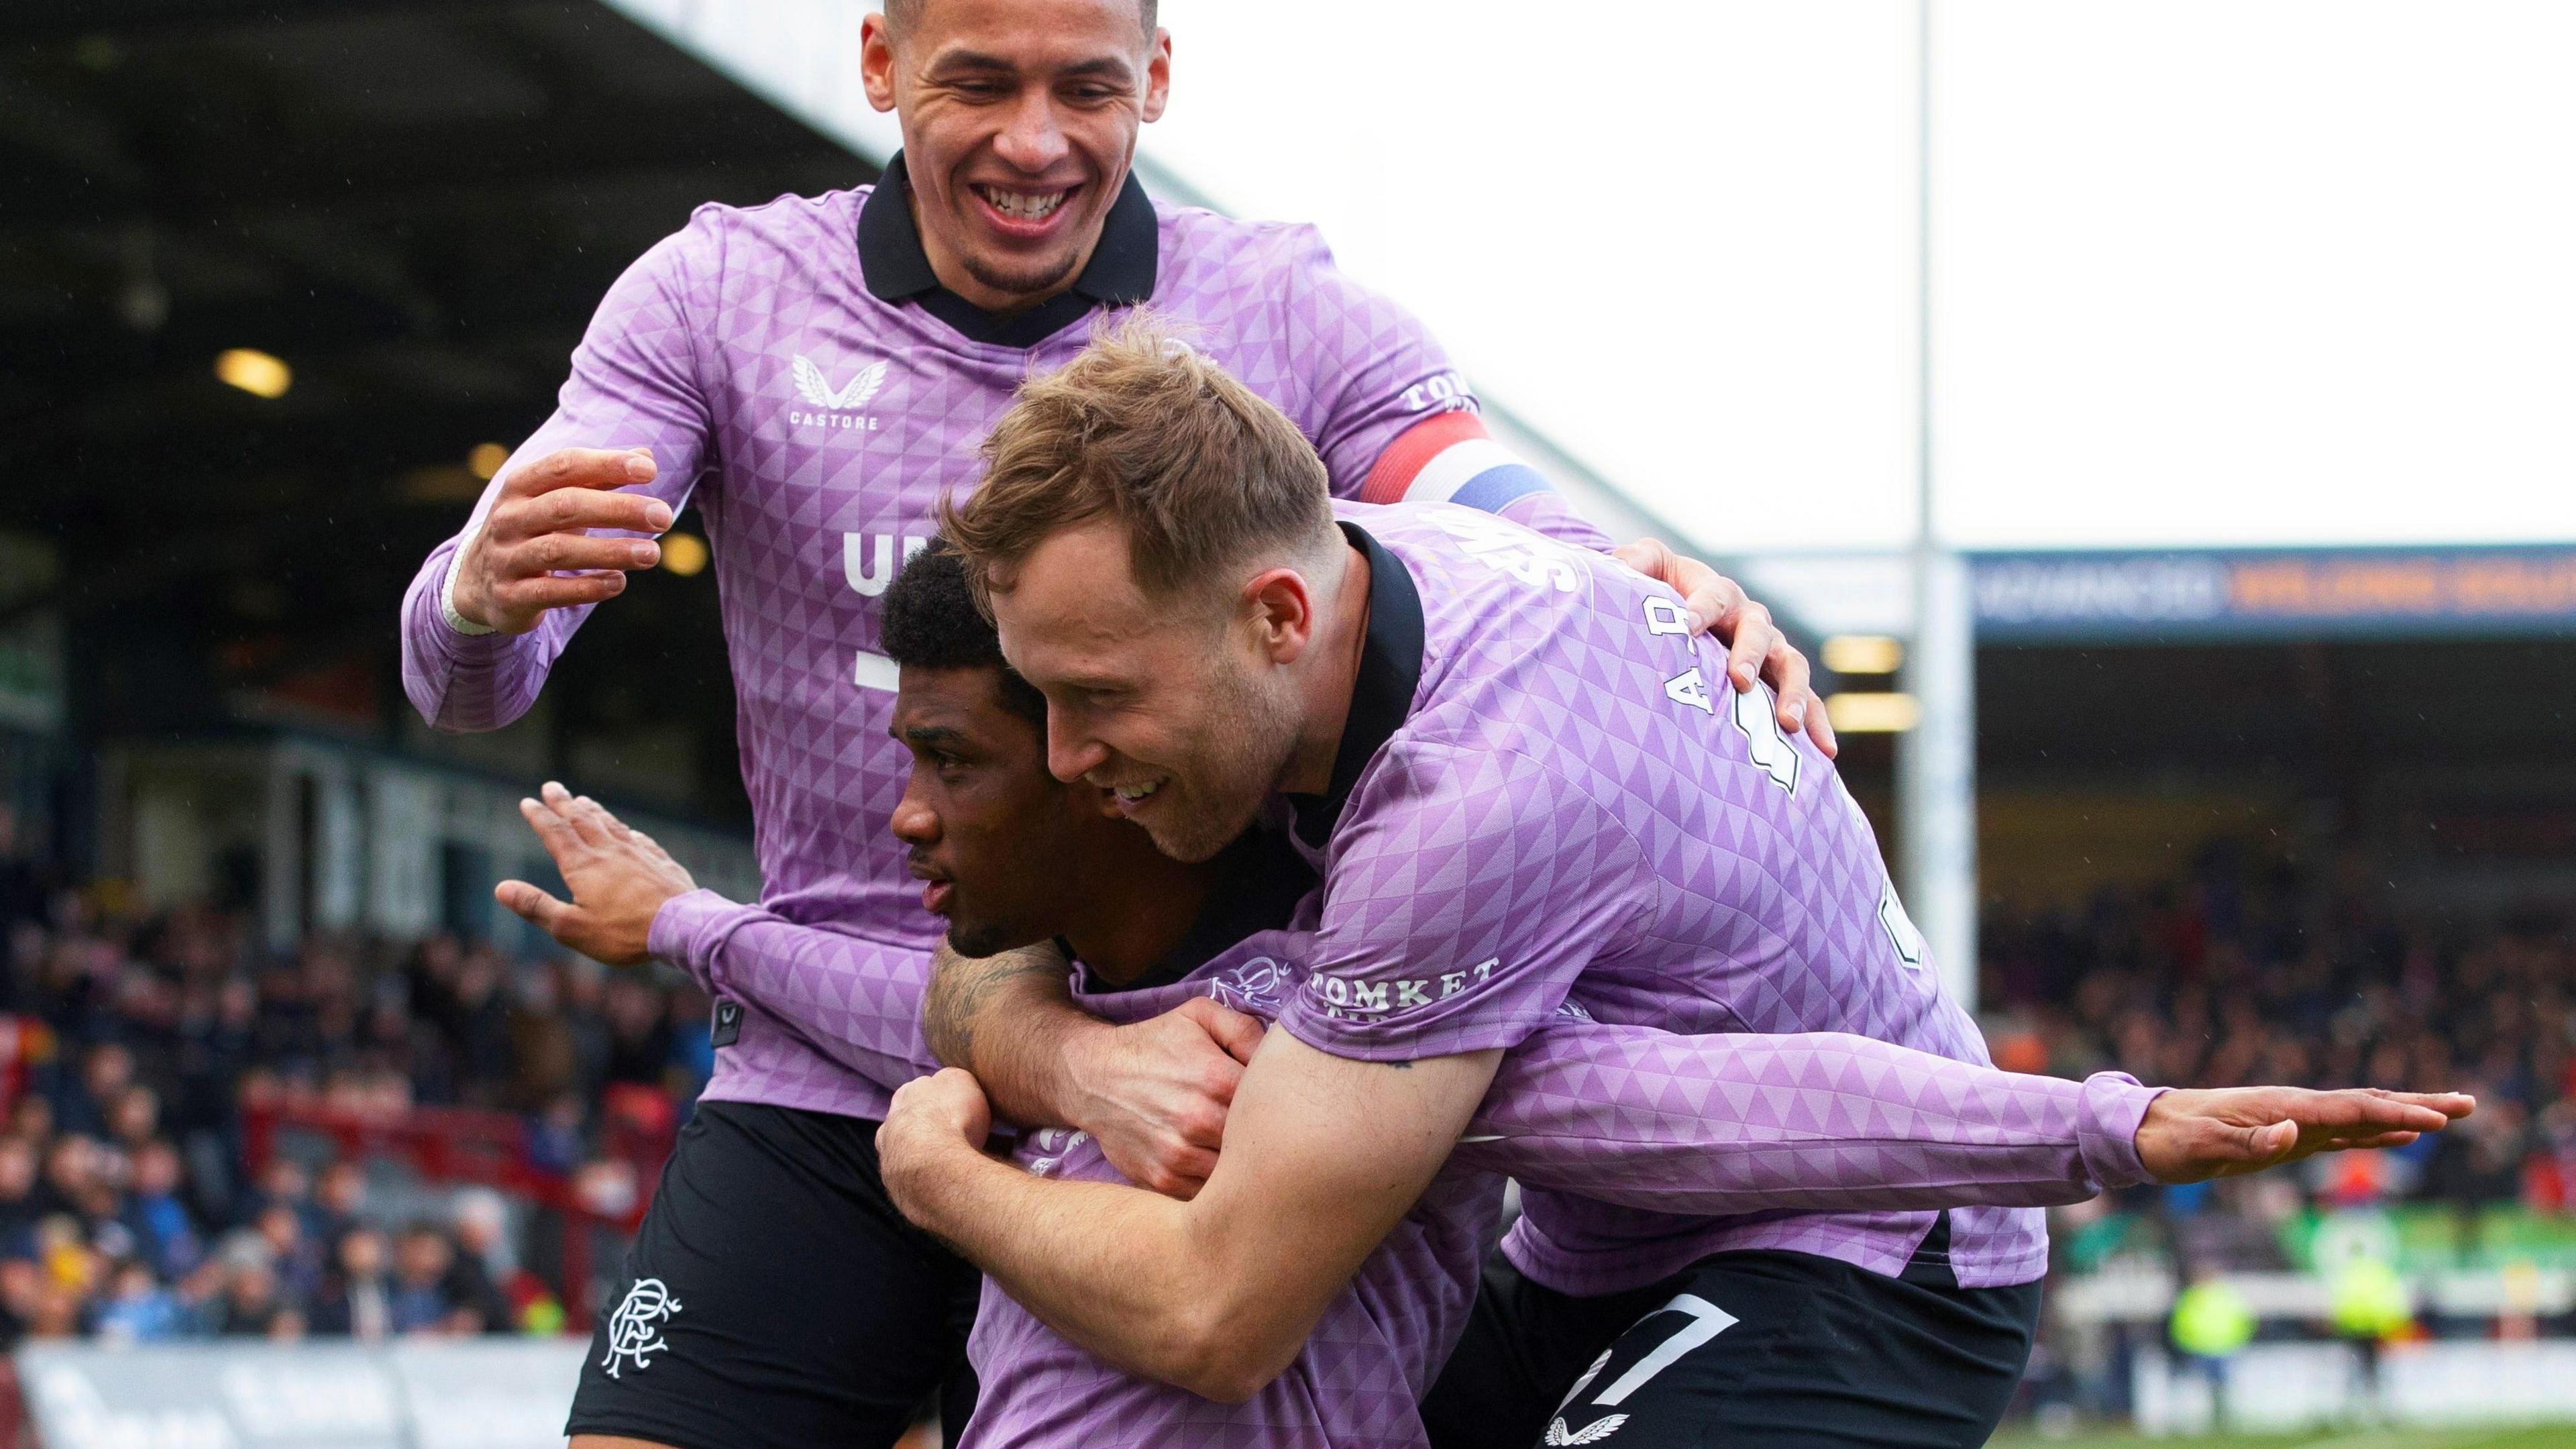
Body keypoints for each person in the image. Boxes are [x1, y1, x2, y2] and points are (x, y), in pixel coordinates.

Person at [413, 2, 1818, 1445]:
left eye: (1085, 87)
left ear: (1155, 77)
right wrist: (476, 601)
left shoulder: (1283, 305)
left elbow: (1476, 500)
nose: (1035, 141)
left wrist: (1623, 582)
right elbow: (473, 682)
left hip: (1198, 1080)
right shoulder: (718, 297)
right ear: (881, 65)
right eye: (979, 83)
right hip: (834, 1073)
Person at [886, 325, 2471, 1448]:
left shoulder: (1467, 811)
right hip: (1606, 1244)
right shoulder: (1364, 566)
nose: (1071, 754)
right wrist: (1066, 1056)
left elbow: (1221, 1314)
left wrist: (940, 1173)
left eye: (1099, 697)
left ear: (1280, 617)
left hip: (1864, 1251)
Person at [517, 542, 2468, 1448]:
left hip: (1850, 1267)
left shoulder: (1347, 985)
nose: (904, 816)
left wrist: (2103, 1125)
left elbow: (1687, 1116)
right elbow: (870, 995)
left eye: (968, 761)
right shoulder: (1023, 987)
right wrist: (689, 927)